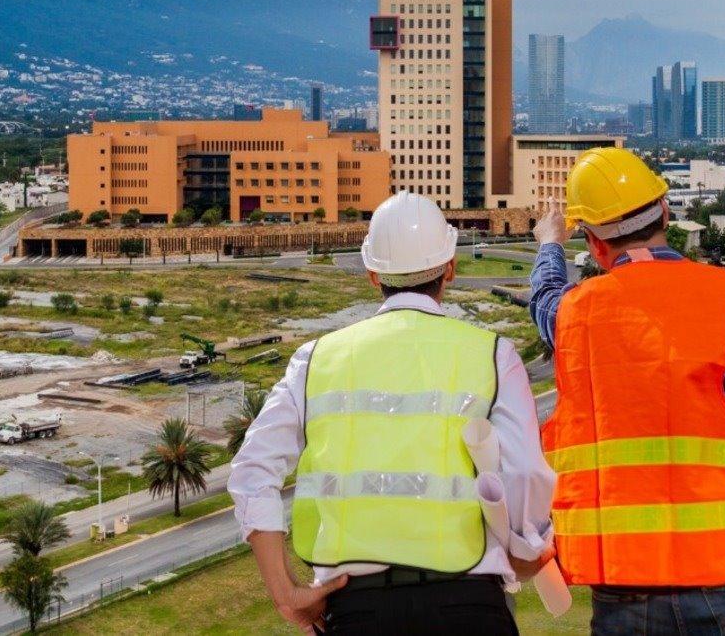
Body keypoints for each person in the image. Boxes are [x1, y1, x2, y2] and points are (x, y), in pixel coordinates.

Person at [530, 148, 725, 636]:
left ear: (594, 244)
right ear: (665, 213)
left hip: (626, 592)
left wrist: (550, 244)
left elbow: (544, 300)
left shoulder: (573, 316)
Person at [230, 191, 555, 636]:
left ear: (372, 274)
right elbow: (526, 474)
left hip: (358, 612)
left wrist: (285, 595)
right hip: (470, 607)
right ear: (451, 269)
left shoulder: (317, 359)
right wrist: (526, 546)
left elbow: (251, 471)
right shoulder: (493, 355)